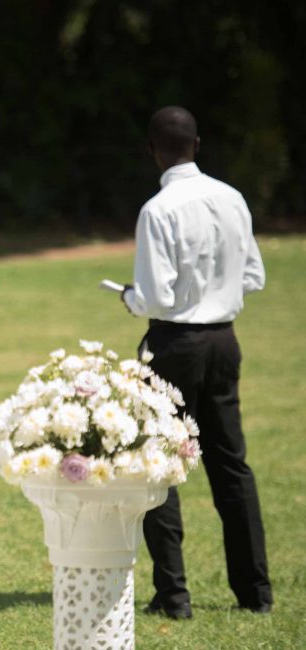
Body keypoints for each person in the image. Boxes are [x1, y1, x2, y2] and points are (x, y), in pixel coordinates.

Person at [121, 106, 272, 619]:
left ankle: (174, 595)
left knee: (161, 464)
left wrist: (129, 298)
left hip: (176, 345)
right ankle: (255, 592)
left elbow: (157, 295)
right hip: (225, 341)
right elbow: (254, 278)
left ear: (152, 150)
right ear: (198, 145)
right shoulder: (232, 198)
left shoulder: (158, 209)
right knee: (231, 464)